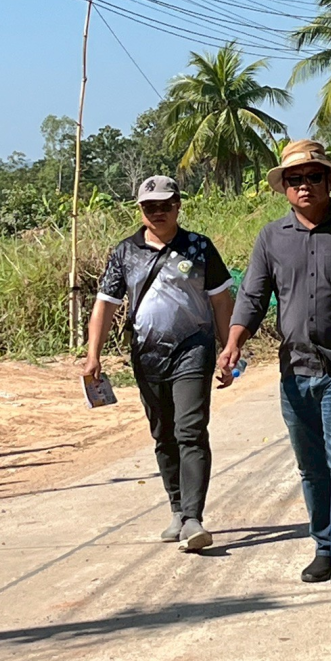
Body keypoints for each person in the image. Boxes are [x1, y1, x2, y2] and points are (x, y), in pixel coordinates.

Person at [218, 139, 331, 600]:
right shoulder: (271, 237)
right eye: (294, 179)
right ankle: (323, 546)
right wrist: (233, 343)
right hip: (295, 371)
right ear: (285, 188)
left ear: (327, 181)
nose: (304, 186)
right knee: (312, 468)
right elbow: (253, 297)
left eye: (312, 177)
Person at [83, 176, 235, 552]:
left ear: (178, 205)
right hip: (147, 355)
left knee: (191, 430)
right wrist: (93, 354)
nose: (158, 212)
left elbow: (220, 301)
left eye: (165, 205)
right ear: (140, 210)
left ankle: (194, 518)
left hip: (193, 350)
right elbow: (105, 304)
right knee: (163, 433)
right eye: (150, 206)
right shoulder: (124, 253)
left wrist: (228, 348)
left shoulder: (199, 247)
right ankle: (177, 508)